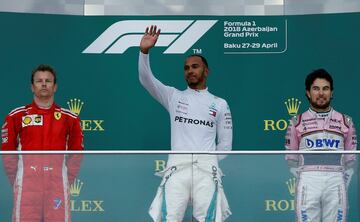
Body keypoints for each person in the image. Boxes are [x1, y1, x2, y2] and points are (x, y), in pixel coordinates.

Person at [139, 25, 233, 222]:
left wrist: (206, 161)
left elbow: (225, 145)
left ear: (206, 71)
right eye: (186, 68)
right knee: (169, 218)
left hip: (206, 170)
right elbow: (147, 80)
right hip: (177, 168)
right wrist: (144, 52)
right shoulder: (173, 96)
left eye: (195, 67)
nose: (190, 71)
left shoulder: (220, 103)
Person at [1, 64, 84, 222]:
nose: (44, 84)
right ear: (32, 87)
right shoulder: (16, 116)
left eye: (48, 81)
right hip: (27, 187)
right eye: (39, 81)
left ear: (55, 87)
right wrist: (19, 180)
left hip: (57, 186)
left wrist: (64, 180)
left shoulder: (70, 119)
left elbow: (76, 155)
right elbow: (8, 156)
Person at [285, 68, 357, 222]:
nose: (321, 93)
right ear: (308, 93)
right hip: (308, 179)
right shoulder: (296, 122)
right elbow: (290, 159)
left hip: (336, 177)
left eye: (325, 89)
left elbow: (352, 160)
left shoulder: (346, 122)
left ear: (331, 92)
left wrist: (345, 177)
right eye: (316, 89)